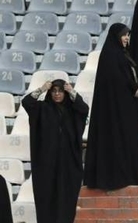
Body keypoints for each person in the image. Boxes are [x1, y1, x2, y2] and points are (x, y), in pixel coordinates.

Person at [84, 23, 138, 190]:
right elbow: (116, 81)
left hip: (124, 107)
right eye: (124, 35)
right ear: (116, 36)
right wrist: (134, 86)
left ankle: (129, 173)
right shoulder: (111, 55)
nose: (127, 38)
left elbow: (126, 79)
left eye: (128, 35)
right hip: (115, 109)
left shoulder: (121, 54)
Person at [22, 79, 88, 223]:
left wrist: (72, 91)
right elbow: (26, 102)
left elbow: (84, 108)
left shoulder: (72, 110)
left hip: (68, 163)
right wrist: (41, 89)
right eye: (54, 91)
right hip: (46, 163)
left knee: (67, 198)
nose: (57, 94)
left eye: (60, 91)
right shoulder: (42, 108)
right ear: (50, 93)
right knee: (46, 197)